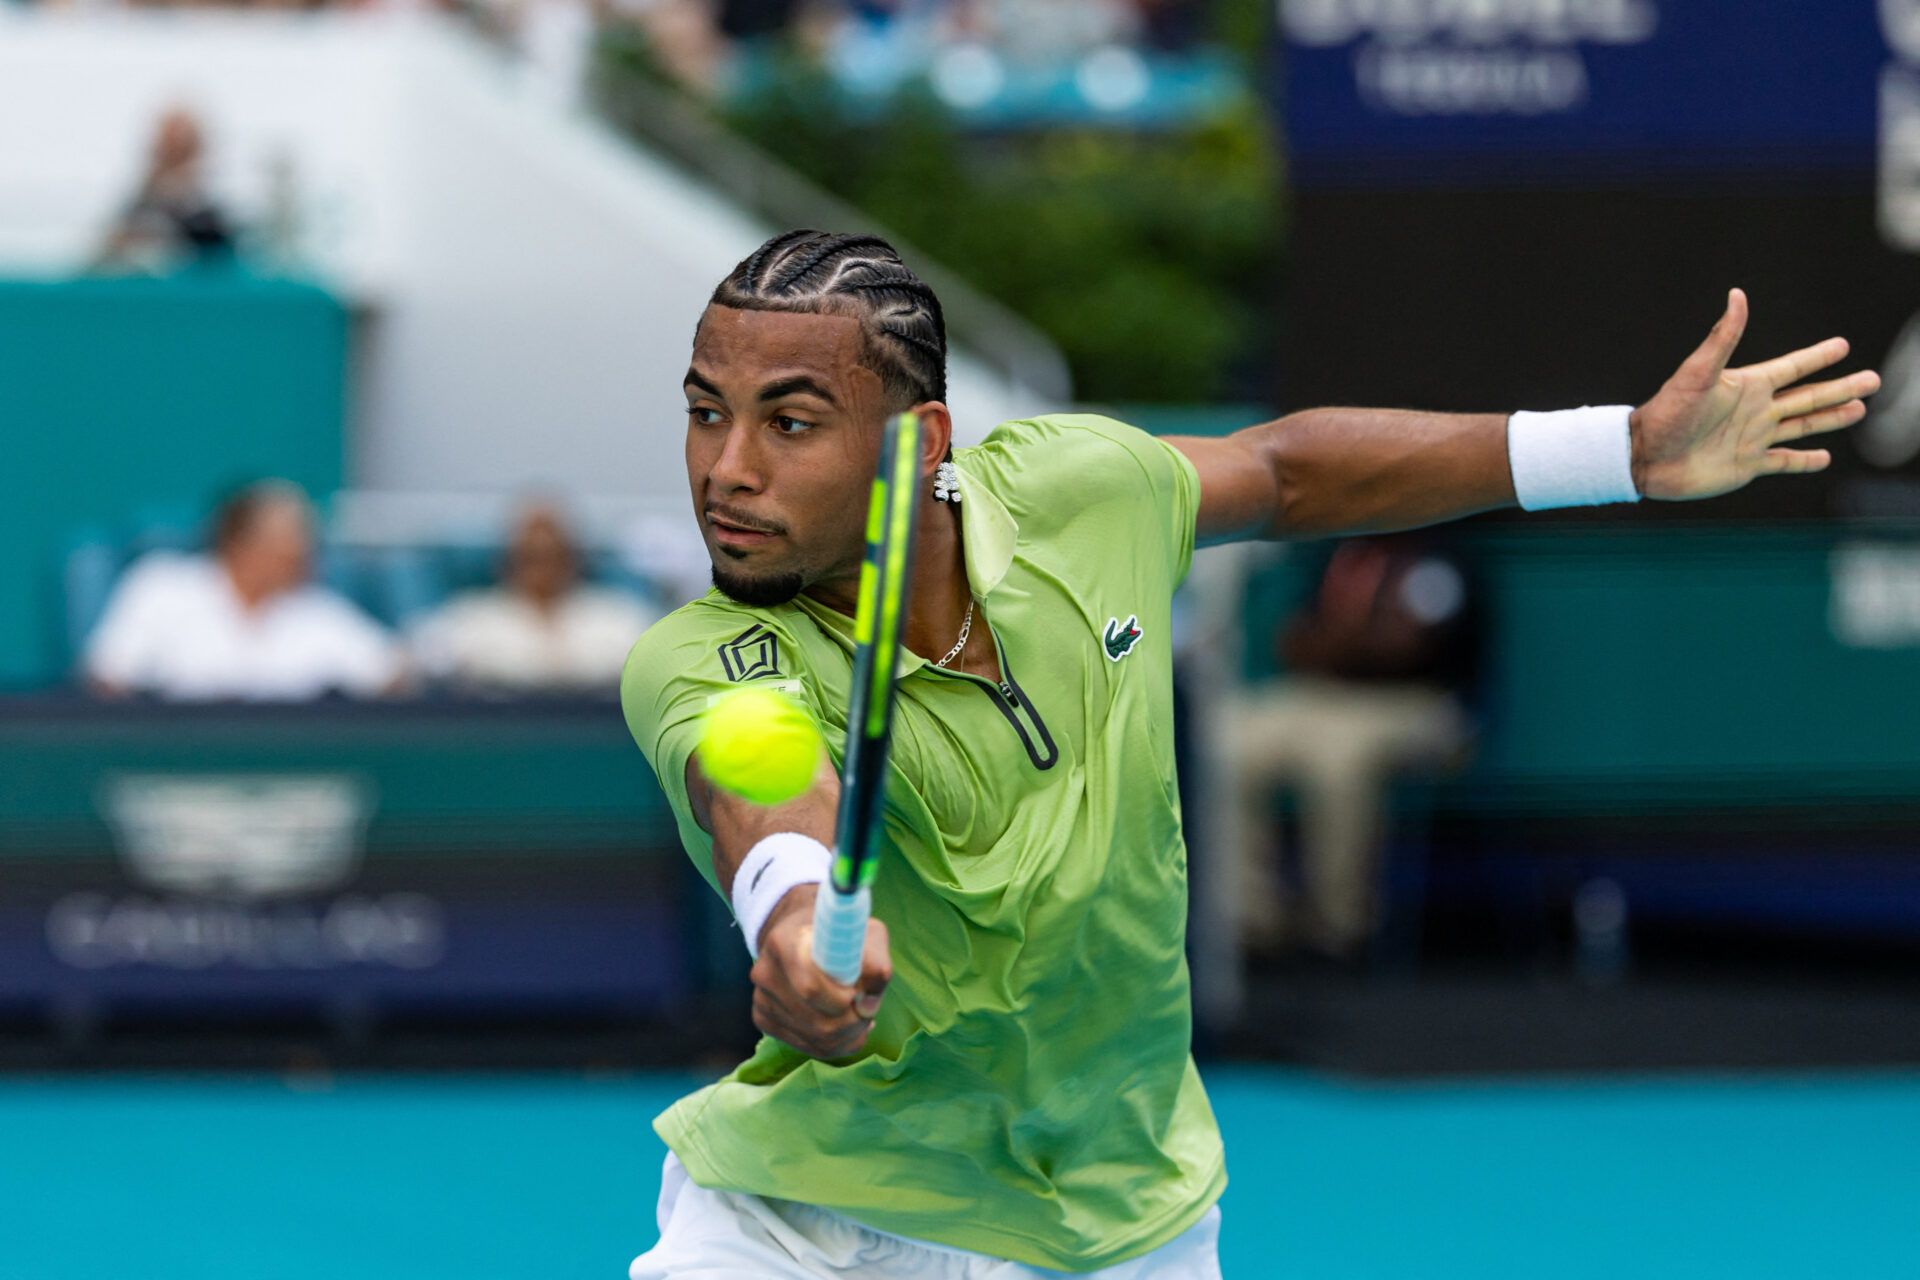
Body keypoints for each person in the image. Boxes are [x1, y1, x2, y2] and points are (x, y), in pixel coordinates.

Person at [619, 229, 1879, 1276]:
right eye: (704, 412)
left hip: (1117, 1214)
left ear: (922, 442)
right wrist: (794, 930)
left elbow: (1286, 473)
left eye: (789, 422)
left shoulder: (1073, 491)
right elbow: (768, 796)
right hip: (816, 1220)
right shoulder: (708, 655)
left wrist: (1619, 451)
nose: (726, 469)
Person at [1227, 533, 1481, 958]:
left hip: (1416, 700)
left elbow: (1409, 651)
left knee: (1338, 760)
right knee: (1226, 745)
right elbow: (1292, 641)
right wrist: (1346, 640)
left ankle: (1338, 929)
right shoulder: (1342, 552)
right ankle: (1251, 923)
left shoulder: (1434, 559)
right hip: (1323, 696)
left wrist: (1339, 641)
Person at [84, 481, 403, 701]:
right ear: (239, 543)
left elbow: (391, 674)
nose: (303, 551)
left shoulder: (319, 610)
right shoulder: (161, 587)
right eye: (289, 539)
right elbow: (107, 677)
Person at [410, 504, 658, 693]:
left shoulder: (620, 617)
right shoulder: (469, 619)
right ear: (507, 563)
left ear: (573, 561)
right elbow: (414, 663)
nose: (543, 570)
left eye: (553, 557)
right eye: (531, 558)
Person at [93, 106, 237, 274]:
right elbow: (111, 250)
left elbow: (223, 256)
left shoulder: (213, 205)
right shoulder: (140, 202)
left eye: (183, 141)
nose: (176, 147)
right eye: (170, 141)